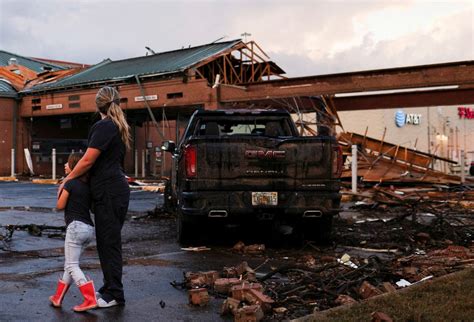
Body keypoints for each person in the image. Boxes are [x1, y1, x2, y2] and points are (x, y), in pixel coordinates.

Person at [59, 86, 131, 308]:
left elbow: (88, 160)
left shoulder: (104, 126)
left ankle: (114, 295)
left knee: (109, 244)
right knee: (107, 243)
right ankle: (109, 288)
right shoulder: (116, 126)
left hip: (110, 192)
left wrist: (67, 179)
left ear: (98, 104)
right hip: (112, 190)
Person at [49, 153, 97, 312]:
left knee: (71, 265)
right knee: (69, 265)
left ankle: (89, 299)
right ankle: (57, 298)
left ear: (74, 166)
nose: (65, 165)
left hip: (75, 227)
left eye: (68, 163)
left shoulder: (70, 183)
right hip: (89, 229)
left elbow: (60, 205)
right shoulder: (87, 185)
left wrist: (63, 185)